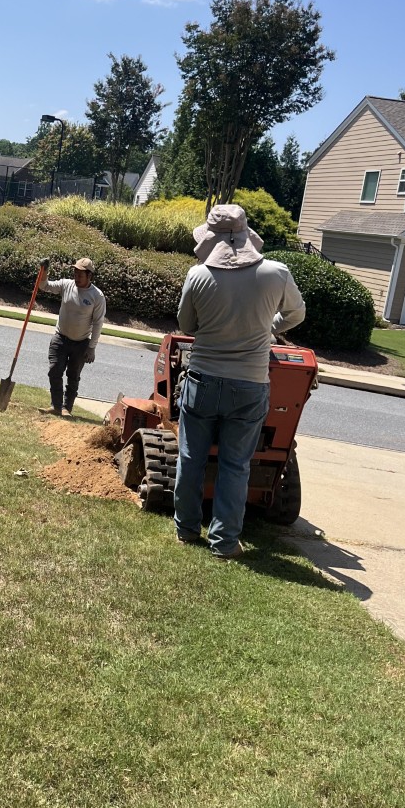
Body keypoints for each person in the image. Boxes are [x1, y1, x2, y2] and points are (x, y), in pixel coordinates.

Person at [173, 204, 306, 559]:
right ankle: (225, 542)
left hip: (202, 379)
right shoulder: (276, 273)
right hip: (249, 385)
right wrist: (267, 328)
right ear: (247, 234)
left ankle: (186, 530)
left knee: (191, 457)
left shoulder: (197, 275)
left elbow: (187, 326)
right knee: (236, 465)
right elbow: (297, 312)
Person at [39, 256, 106, 417]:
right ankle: (56, 406)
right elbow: (44, 285)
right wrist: (44, 272)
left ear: (89, 276)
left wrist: (92, 348)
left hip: (81, 343)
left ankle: (66, 408)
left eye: (80, 275)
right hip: (60, 338)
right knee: (54, 371)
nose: (76, 277)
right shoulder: (66, 285)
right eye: (75, 273)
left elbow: (98, 323)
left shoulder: (97, 296)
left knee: (73, 376)